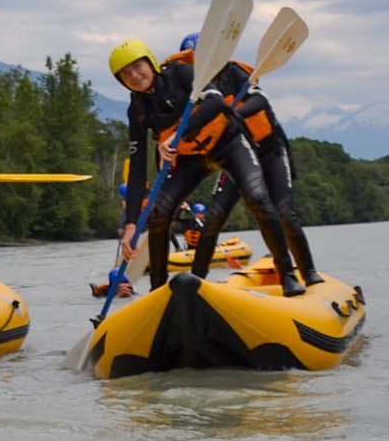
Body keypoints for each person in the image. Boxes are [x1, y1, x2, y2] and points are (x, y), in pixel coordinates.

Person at [110, 34, 306, 297]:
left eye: (137, 67)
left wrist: (178, 132)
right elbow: (136, 168)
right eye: (125, 74)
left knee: (258, 198)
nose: (134, 75)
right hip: (192, 159)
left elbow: (215, 103)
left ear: (151, 63)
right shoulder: (137, 110)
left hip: (229, 144)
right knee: (158, 213)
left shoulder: (180, 73)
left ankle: (288, 275)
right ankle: (158, 291)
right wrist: (132, 223)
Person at [190, 53, 323, 287]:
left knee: (284, 214)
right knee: (213, 218)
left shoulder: (236, 73)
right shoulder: (193, 87)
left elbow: (260, 101)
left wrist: (230, 113)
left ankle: (304, 273)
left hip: (269, 152)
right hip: (237, 157)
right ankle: (195, 281)